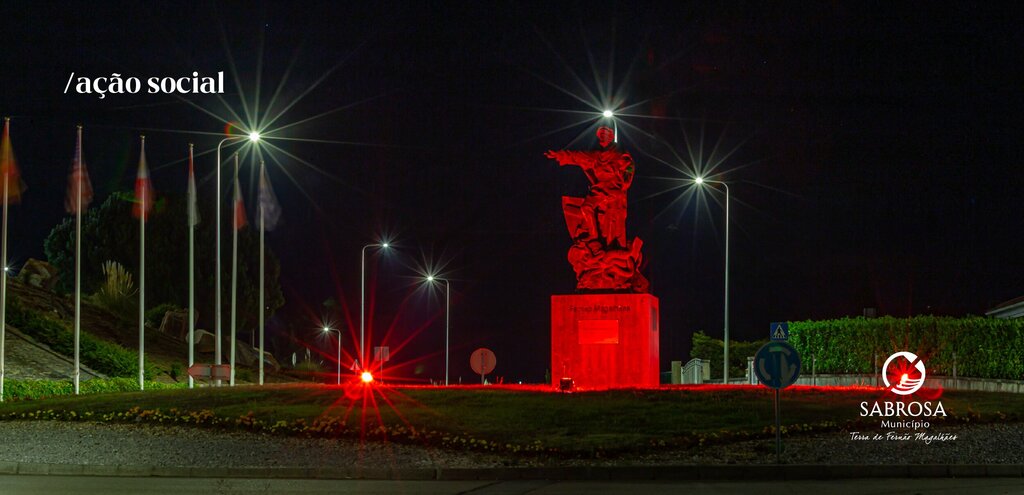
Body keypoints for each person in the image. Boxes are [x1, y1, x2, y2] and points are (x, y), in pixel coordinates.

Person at [545, 126, 634, 248]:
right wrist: (559, 155)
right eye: (600, 135)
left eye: (605, 134)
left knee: (610, 220)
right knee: (586, 207)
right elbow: (577, 156)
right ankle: (593, 236)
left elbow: (630, 167)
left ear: (611, 137)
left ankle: (610, 244)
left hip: (613, 189)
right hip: (599, 189)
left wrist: (624, 183)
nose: (602, 137)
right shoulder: (596, 156)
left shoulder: (619, 154)